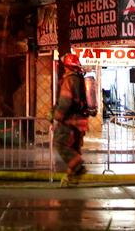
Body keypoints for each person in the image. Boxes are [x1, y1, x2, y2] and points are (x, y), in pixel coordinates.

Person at [53, 53, 94, 182]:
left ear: (67, 67)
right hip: (81, 121)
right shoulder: (80, 79)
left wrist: (57, 116)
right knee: (74, 148)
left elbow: (65, 102)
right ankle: (73, 177)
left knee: (60, 144)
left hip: (71, 121)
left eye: (64, 66)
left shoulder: (69, 80)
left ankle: (78, 167)